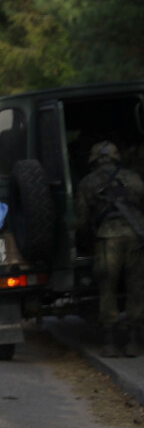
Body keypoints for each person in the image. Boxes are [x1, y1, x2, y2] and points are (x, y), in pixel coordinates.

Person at [76, 141, 144, 357]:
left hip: (107, 238)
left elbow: (81, 221)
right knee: (136, 286)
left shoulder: (88, 182)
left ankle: (109, 342)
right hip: (135, 236)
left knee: (107, 288)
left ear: (94, 160)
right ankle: (133, 341)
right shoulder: (134, 178)